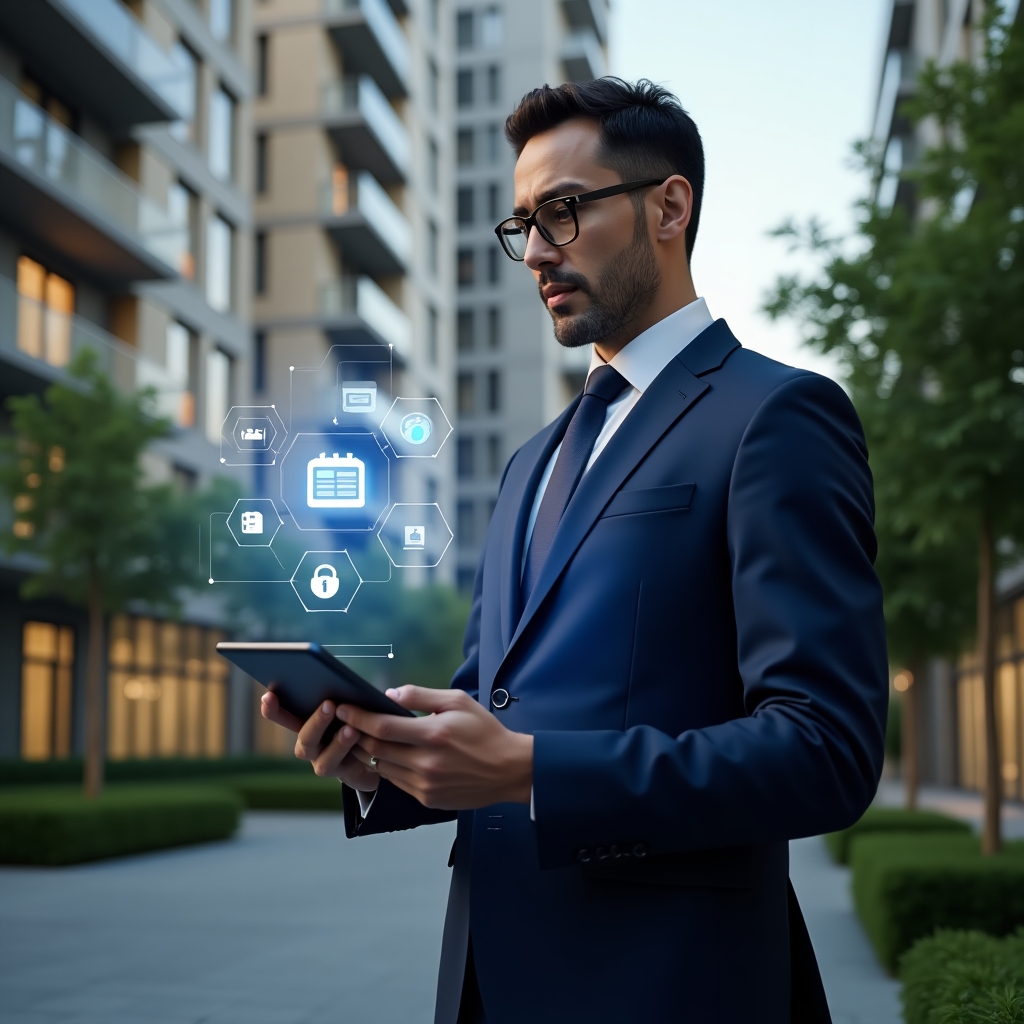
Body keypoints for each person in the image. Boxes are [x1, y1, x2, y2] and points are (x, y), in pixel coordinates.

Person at [261, 78, 888, 1024]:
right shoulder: (531, 462)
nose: (539, 252)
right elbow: (493, 702)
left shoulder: (777, 417)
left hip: (669, 983)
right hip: (487, 977)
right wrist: (384, 760)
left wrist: (530, 770)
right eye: (523, 225)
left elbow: (824, 749)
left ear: (669, 206)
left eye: (564, 210)